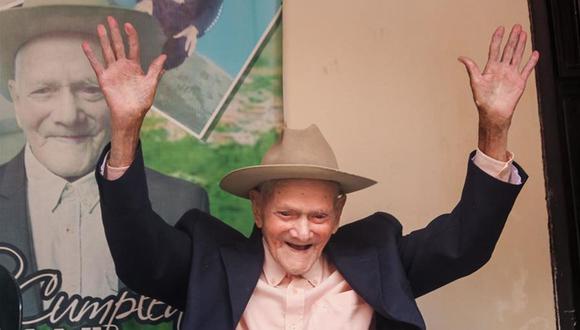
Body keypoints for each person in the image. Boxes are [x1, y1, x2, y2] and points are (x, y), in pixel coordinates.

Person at [85, 16, 539, 329]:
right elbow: (138, 252)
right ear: (258, 209)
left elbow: (466, 243)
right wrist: (126, 127)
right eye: (287, 213)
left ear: (338, 213)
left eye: (318, 216)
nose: (303, 230)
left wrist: (494, 127)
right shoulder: (213, 264)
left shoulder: (378, 258)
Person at [0, 0, 208, 320]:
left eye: (90, 90)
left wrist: (127, 128)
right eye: (43, 91)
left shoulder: (182, 202)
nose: (68, 116)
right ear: (15, 98)